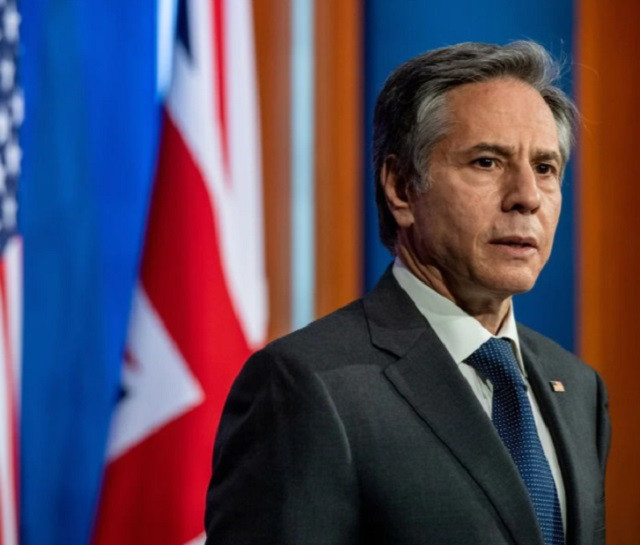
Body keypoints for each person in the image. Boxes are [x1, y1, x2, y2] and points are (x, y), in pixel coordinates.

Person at [204, 41, 610, 545]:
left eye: (545, 168)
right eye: (487, 162)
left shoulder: (577, 388)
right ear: (401, 187)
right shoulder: (309, 386)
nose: (527, 196)